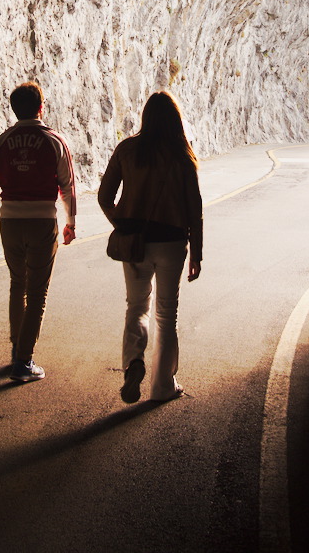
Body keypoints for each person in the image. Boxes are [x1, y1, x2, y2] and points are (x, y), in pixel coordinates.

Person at [98, 91, 203, 403]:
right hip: (172, 242)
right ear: (175, 120)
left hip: (136, 242)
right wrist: (196, 253)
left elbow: (105, 196)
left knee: (136, 306)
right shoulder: (182, 155)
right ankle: (162, 386)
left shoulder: (127, 149)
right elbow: (194, 209)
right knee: (166, 315)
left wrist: (122, 223)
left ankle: (133, 362)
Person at [0, 81, 76, 382]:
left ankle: (16, 350)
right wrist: (71, 221)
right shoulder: (54, 141)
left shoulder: (1, 142)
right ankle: (24, 360)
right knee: (37, 292)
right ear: (41, 107)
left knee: (17, 284)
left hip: (10, 221)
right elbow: (68, 186)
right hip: (42, 221)